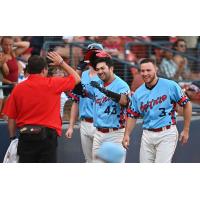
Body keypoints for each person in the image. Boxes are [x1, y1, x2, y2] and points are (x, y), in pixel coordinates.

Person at [2, 52, 80, 163]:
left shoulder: (18, 88)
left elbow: (11, 118)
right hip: (47, 138)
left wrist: (12, 138)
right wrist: (62, 63)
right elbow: (77, 78)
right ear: (44, 70)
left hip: (26, 136)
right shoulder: (53, 83)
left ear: (28, 70)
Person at [122, 58, 192, 163]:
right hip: (147, 134)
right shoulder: (138, 93)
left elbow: (187, 104)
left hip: (167, 132)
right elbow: (132, 115)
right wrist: (127, 134)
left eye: (148, 70)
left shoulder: (170, 85)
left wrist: (186, 130)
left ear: (156, 69)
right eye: (142, 71)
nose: (145, 73)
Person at [89, 50, 130, 162]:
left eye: (103, 68)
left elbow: (124, 101)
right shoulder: (97, 83)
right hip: (98, 133)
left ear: (111, 68)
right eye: (97, 69)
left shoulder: (121, 85)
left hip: (115, 134)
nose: (100, 71)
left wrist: (104, 91)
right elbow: (81, 90)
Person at [65, 43, 103, 163]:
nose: (94, 56)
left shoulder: (105, 76)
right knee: (88, 160)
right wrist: (71, 126)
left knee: (100, 161)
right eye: (91, 53)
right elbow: (76, 101)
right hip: (84, 123)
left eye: (97, 53)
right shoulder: (82, 76)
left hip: (100, 123)